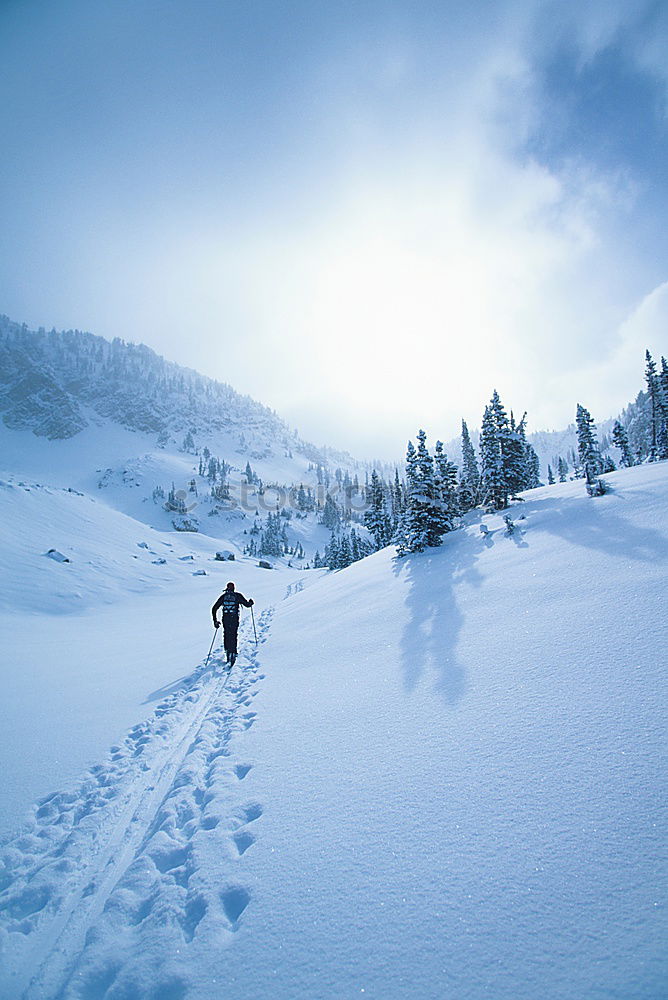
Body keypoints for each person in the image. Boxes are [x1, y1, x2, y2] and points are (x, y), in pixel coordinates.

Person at [212, 582, 254, 666]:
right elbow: (247, 605)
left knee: (227, 633)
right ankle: (233, 652)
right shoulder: (237, 596)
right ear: (234, 588)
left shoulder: (223, 597)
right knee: (233, 634)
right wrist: (251, 602)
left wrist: (215, 621)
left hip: (226, 619)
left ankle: (227, 651)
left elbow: (214, 608)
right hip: (234, 618)